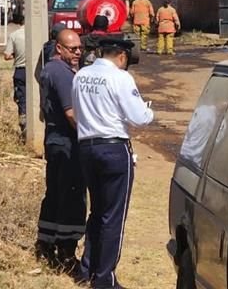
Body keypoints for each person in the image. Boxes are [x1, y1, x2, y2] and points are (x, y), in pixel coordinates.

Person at [72, 37, 155, 288]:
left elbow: (77, 110)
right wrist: (149, 110)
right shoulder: (120, 78)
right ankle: (105, 277)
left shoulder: (81, 75)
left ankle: (87, 269)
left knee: (97, 211)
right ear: (121, 56)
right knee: (113, 216)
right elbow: (139, 117)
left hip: (87, 147)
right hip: (114, 149)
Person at [34, 29, 87, 273]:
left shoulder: (50, 70)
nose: (78, 52)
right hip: (67, 143)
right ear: (59, 48)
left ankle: (46, 243)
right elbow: (71, 113)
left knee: (55, 193)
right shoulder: (62, 74)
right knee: (71, 196)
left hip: (55, 140)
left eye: (79, 48)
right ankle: (66, 251)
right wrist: (91, 136)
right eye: (72, 48)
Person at [3, 12, 28, 140]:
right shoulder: (36, 35)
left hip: (20, 71)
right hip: (34, 71)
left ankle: (24, 129)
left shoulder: (14, 35)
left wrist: (16, 55)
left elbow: (7, 55)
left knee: (21, 100)